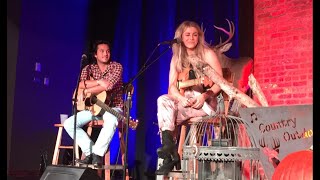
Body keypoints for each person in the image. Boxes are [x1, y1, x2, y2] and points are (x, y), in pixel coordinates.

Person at [155, 21, 223, 175]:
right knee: (163, 100)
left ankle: (170, 157)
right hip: (185, 103)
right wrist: (180, 98)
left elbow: (219, 83)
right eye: (187, 35)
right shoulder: (176, 58)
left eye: (195, 34)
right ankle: (170, 149)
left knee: (168, 116)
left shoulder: (207, 54)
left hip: (204, 103)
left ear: (199, 37)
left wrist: (205, 95)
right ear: (180, 37)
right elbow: (171, 87)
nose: (192, 38)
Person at [63, 40, 124, 167]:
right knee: (69, 124)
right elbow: (79, 84)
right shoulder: (88, 68)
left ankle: (98, 154)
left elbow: (108, 85)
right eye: (102, 51)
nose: (106, 54)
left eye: (108, 51)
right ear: (95, 54)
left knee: (111, 119)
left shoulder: (116, 67)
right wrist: (99, 81)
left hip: (112, 108)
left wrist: (86, 90)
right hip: (93, 109)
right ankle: (89, 151)